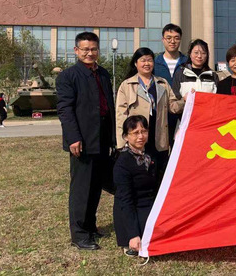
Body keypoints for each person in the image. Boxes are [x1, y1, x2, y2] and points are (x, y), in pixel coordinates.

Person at [56, 31, 116, 251]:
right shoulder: (68, 76)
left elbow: (109, 105)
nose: (90, 53)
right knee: (82, 188)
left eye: (93, 49)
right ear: (76, 51)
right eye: (85, 49)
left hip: (102, 138)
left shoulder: (103, 74)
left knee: (96, 186)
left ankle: (91, 226)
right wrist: (73, 137)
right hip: (82, 140)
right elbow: (65, 109)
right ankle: (79, 234)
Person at [115, 47, 184, 169]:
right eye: (143, 60)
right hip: (137, 138)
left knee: (157, 173)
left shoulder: (163, 83)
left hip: (159, 138)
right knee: (138, 173)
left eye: (150, 60)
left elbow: (173, 107)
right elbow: (121, 116)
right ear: (135, 63)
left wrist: (185, 100)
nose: (147, 63)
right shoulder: (127, 85)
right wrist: (122, 143)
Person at [113, 115, 160, 257]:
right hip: (133, 208)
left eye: (144, 131)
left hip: (150, 204)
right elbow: (125, 201)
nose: (141, 136)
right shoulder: (122, 163)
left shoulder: (152, 154)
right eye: (135, 133)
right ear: (126, 137)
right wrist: (133, 234)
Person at [153, 23, 188, 145]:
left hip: (183, 114)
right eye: (169, 38)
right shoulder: (154, 63)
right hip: (161, 114)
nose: (172, 41)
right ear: (163, 40)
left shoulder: (188, 63)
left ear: (180, 39)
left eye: (176, 38)